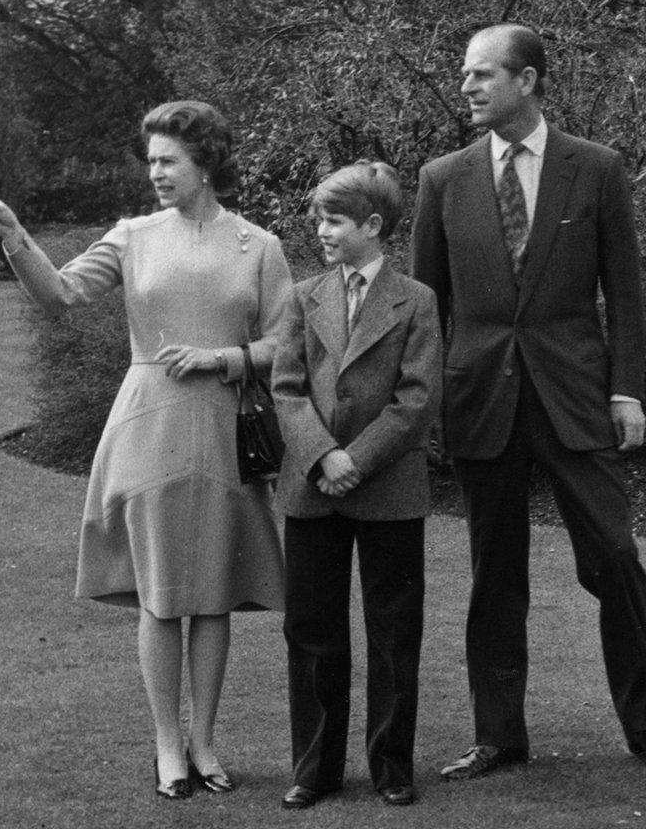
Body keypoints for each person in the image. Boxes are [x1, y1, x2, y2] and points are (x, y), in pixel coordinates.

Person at [0, 100, 293, 801]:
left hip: (226, 431)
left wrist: (223, 359)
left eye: (169, 160)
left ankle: (204, 740)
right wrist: (16, 235)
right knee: (163, 594)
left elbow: (285, 346)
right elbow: (61, 294)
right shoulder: (134, 235)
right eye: (151, 162)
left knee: (213, 597)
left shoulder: (258, 246)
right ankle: (167, 748)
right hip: (149, 426)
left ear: (206, 164)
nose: (157, 173)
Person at [410, 24, 646, 779]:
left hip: (575, 400)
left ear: (528, 80)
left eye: (482, 74)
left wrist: (627, 391)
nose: (467, 87)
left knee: (617, 558)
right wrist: (422, 407)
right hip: (480, 402)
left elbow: (625, 295)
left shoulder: (596, 169)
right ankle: (500, 736)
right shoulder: (442, 179)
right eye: (466, 75)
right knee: (492, 575)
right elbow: (423, 308)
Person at [271, 161, 443, 809]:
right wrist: (321, 456)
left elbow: (417, 399)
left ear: (374, 226)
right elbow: (286, 389)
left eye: (334, 220)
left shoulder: (416, 301)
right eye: (317, 219)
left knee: (395, 630)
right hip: (312, 488)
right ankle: (314, 768)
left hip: (389, 488)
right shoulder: (304, 294)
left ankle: (391, 766)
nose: (321, 230)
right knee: (312, 630)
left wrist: (357, 459)